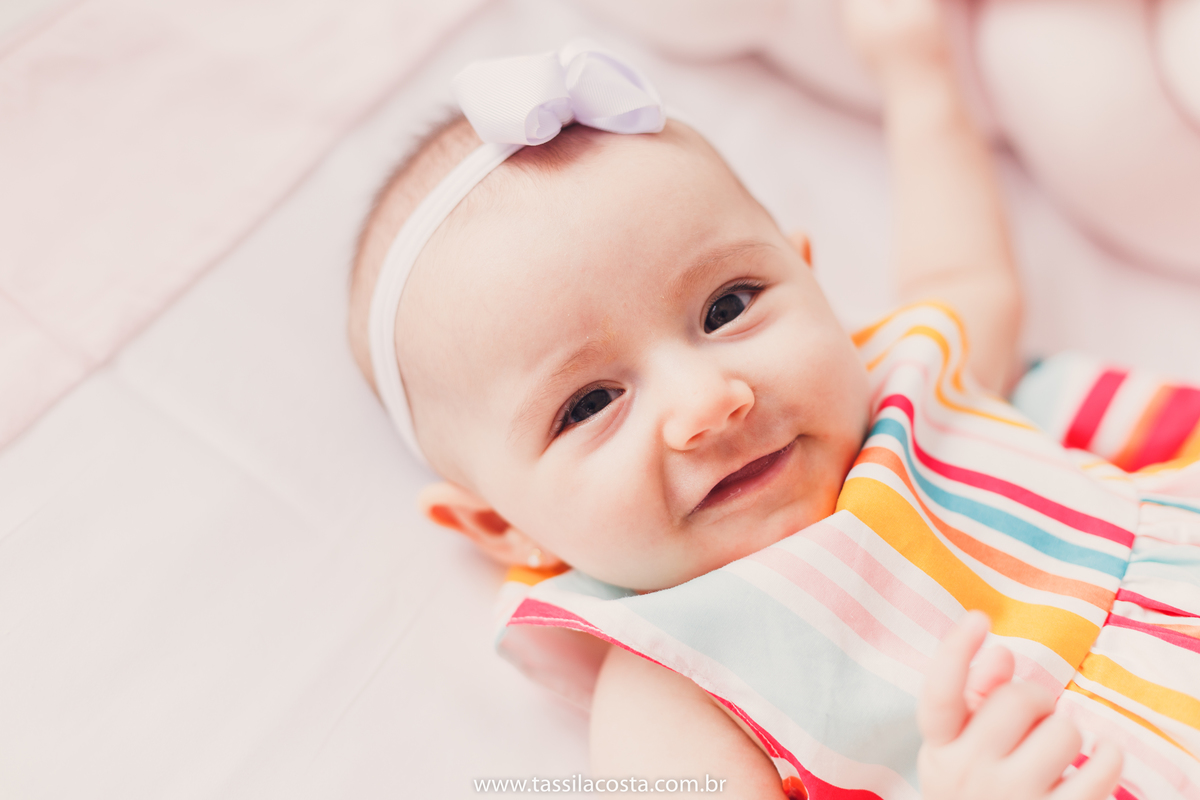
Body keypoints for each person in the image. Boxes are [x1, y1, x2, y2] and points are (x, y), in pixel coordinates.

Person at [344, 1, 1193, 797]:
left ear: (811, 276)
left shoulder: (905, 384)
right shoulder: (673, 680)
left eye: (727, 307)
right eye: (589, 403)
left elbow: (962, 275)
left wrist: (913, 64)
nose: (709, 402)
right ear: (501, 525)